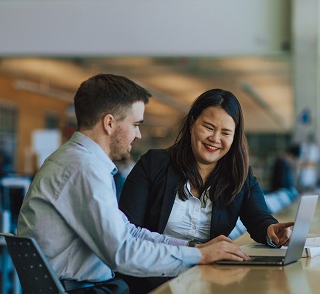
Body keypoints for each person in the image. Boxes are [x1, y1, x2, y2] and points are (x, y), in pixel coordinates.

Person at [17, 75, 248, 294]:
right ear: (109, 123)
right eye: (135, 124)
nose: (138, 135)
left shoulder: (79, 162)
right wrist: (200, 257)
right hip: (83, 289)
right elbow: (122, 253)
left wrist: (194, 248)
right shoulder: (83, 169)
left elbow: (129, 232)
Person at [118, 89, 294, 293]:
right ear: (192, 124)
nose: (215, 138)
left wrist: (270, 230)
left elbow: (258, 217)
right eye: (208, 127)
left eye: (226, 133)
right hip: (152, 278)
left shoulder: (240, 175)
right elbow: (129, 232)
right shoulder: (154, 164)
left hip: (208, 278)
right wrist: (194, 251)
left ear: (235, 136)